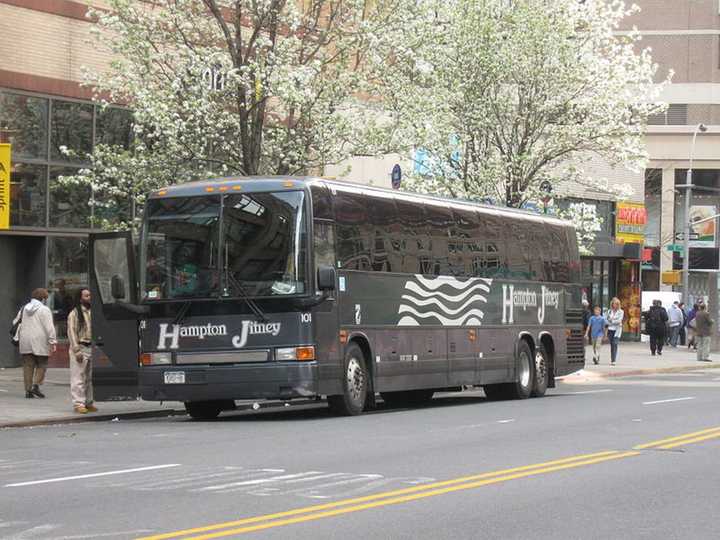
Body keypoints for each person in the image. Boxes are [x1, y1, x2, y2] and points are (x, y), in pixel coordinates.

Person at [13, 288, 57, 399]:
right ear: (42, 298)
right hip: (40, 340)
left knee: (28, 366)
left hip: (25, 340)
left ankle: (28, 391)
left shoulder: (24, 308)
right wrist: (53, 341)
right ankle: (35, 385)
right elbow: (49, 327)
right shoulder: (44, 309)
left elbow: (15, 322)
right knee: (42, 364)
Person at [67, 288, 97, 414]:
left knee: (90, 378)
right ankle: (78, 403)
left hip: (92, 348)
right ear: (80, 298)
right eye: (86, 296)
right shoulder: (74, 313)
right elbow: (71, 332)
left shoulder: (93, 312)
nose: (89, 297)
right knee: (78, 377)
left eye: (90, 295)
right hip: (80, 347)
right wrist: (76, 350)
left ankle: (88, 402)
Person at [606, 297, 624, 365]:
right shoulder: (609, 311)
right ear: (612, 304)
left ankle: (613, 360)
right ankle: (612, 359)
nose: (615, 305)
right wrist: (611, 322)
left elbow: (619, 320)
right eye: (614, 304)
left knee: (615, 344)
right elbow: (606, 320)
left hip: (617, 330)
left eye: (617, 304)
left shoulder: (621, 311)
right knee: (612, 345)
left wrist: (612, 321)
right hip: (610, 330)